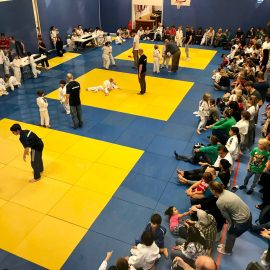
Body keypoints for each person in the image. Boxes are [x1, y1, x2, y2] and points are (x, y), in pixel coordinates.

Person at [209, 181, 252, 255]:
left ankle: (227, 251)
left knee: (230, 235)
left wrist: (231, 225)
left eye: (210, 189)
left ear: (213, 190)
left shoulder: (219, 202)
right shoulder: (226, 191)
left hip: (241, 222)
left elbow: (226, 216)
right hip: (248, 214)